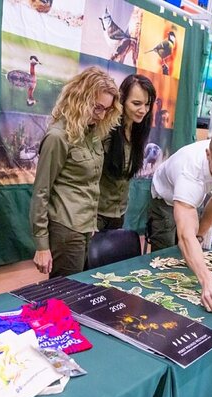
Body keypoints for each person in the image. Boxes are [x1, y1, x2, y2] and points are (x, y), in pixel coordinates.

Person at [148, 127, 212, 313]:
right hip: (165, 199)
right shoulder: (189, 171)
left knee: (192, 251)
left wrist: (201, 234)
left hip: (196, 196)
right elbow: (185, 236)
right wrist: (207, 280)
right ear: (208, 155)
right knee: (166, 259)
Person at [30, 67, 121, 277]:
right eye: (97, 108)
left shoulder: (92, 133)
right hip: (66, 228)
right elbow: (41, 192)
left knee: (80, 287)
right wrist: (42, 245)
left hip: (85, 227)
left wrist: (91, 223)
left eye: (106, 110)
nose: (101, 115)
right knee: (66, 292)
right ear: (80, 100)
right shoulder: (58, 136)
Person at [97, 74, 156, 231]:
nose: (143, 110)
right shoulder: (106, 130)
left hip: (118, 213)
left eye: (147, 104)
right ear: (122, 100)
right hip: (95, 214)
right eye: (136, 103)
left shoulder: (138, 131)